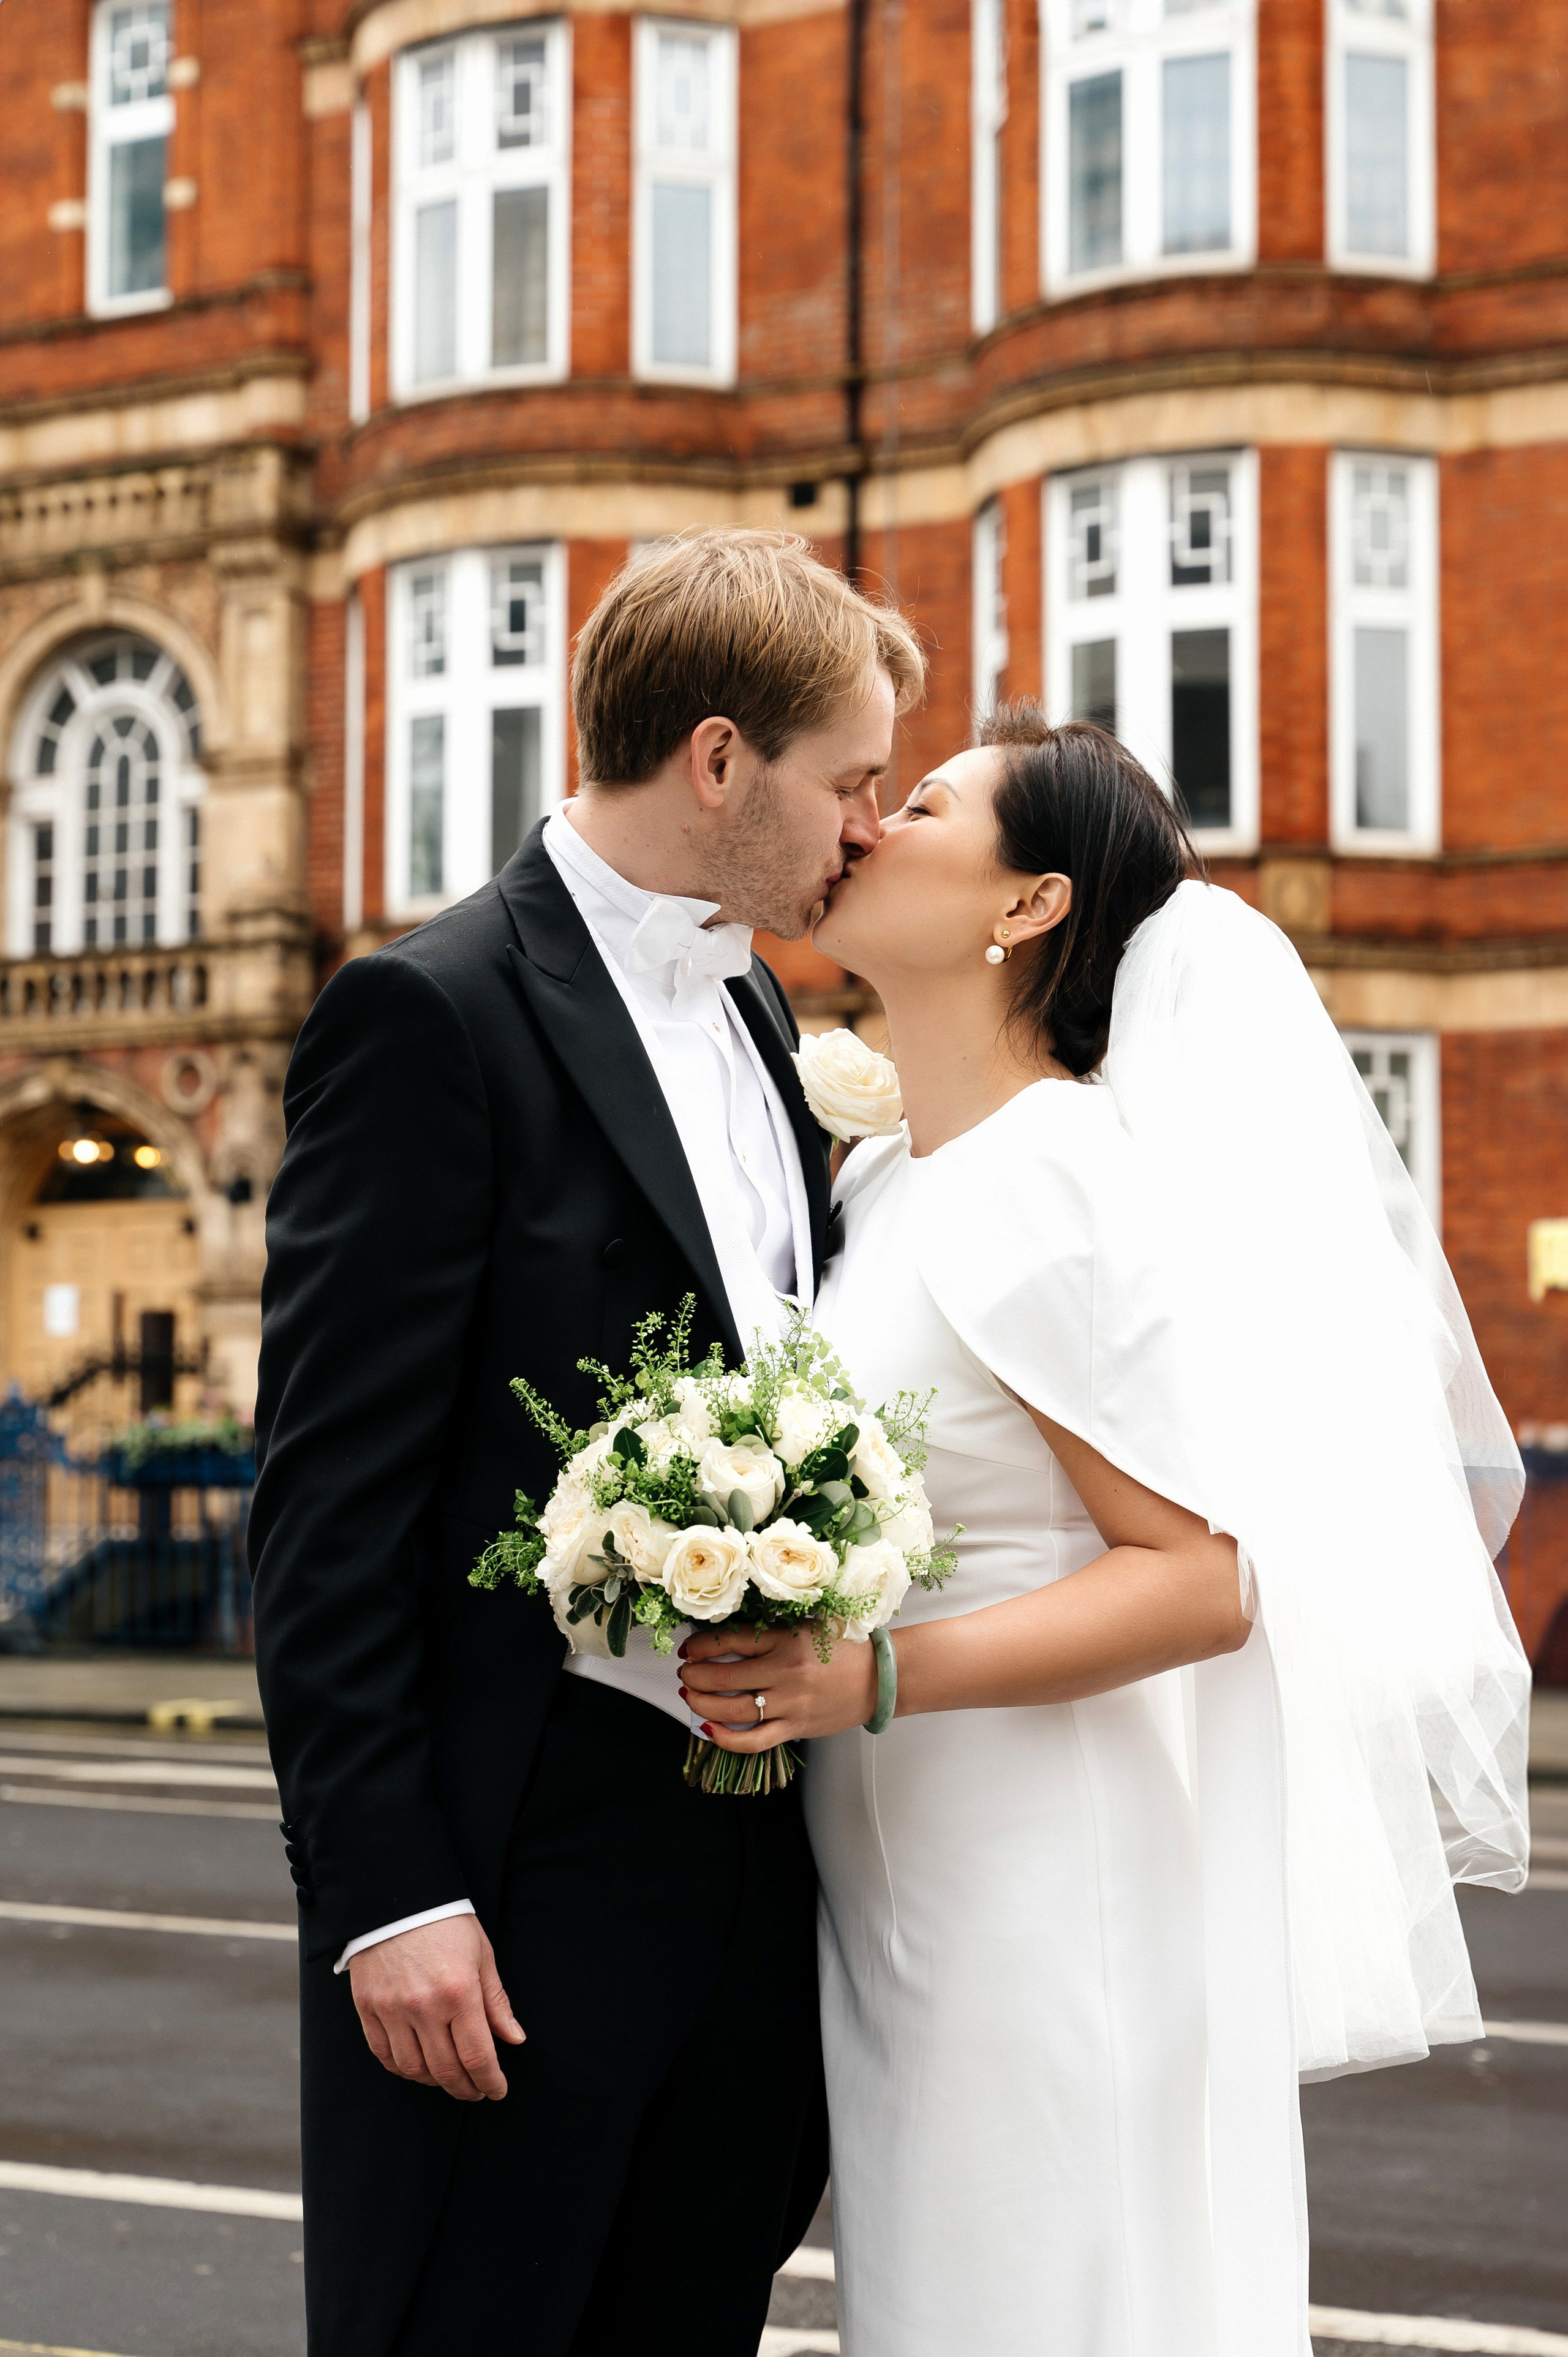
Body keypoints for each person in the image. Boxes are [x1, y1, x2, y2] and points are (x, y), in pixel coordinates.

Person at [678, 708, 1532, 2357]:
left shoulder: (1050, 1178)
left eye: (922, 805)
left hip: (1040, 1890)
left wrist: (873, 1681)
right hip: (908, 1886)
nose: (865, 825)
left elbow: (1201, 1581)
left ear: (1026, 909)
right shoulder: (888, 1183)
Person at [247, 530, 925, 2357]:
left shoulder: (770, 1015)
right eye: (849, 783)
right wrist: (390, 1894)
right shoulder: (430, 1012)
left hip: (750, 1896)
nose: (869, 827)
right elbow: (325, 1507)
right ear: (720, 761)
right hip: (514, 1900)